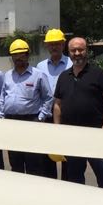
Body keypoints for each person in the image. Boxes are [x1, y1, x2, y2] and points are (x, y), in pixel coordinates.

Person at [53, 37, 103, 190]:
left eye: (80, 49)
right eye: (73, 50)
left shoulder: (99, 74)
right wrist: (57, 128)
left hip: (96, 134)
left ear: (86, 51)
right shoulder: (63, 76)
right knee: (75, 178)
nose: (77, 53)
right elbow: (57, 104)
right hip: (72, 136)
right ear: (68, 53)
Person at [0, 38, 53, 175]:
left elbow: (48, 97)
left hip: (31, 122)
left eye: (21, 54)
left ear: (27, 55)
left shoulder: (38, 75)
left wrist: (40, 118)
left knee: (33, 161)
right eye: (15, 55)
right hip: (11, 122)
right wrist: (1, 116)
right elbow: (3, 96)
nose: (18, 58)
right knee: (15, 161)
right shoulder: (8, 75)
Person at [37, 28, 72, 179]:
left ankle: (67, 184)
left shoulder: (71, 63)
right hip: (46, 114)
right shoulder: (40, 66)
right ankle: (50, 184)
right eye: (51, 44)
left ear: (63, 44)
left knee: (68, 155)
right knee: (47, 156)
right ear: (47, 46)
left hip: (66, 113)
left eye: (57, 44)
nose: (54, 47)